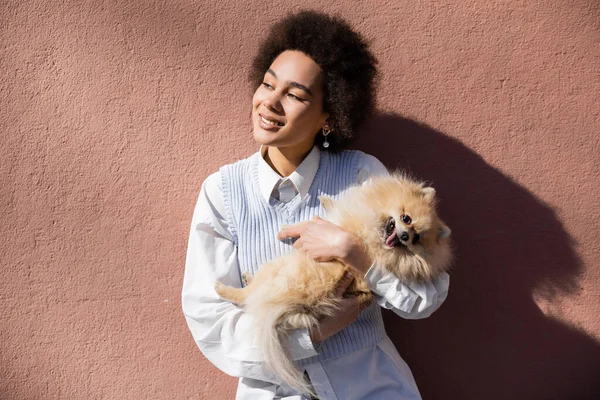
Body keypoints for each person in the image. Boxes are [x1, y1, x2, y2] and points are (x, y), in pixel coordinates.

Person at [182, 10, 449, 400]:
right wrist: (310, 334)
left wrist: (356, 255)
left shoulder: (363, 176)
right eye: (267, 84)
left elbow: (425, 299)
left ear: (329, 115)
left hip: (371, 388)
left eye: (294, 95)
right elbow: (212, 320)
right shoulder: (222, 193)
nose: (269, 102)